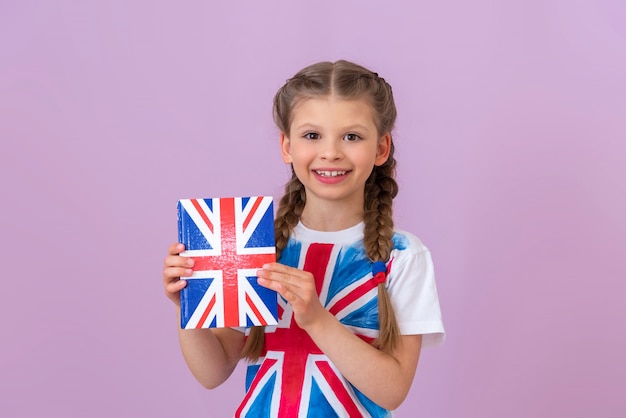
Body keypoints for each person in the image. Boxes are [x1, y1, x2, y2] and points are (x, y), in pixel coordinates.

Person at [163, 60, 445, 417]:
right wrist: (187, 307)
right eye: (312, 135)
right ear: (287, 145)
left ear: (381, 148)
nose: (330, 152)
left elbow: (391, 391)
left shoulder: (403, 255)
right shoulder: (255, 244)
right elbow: (212, 372)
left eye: (352, 136)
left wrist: (316, 318)